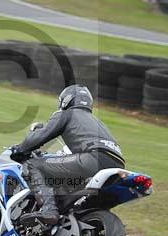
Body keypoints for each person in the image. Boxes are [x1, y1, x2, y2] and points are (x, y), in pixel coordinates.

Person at [10, 85, 125, 225]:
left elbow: (41, 136)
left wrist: (20, 149)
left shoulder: (66, 114)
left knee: (34, 165)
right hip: (117, 164)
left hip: (93, 158)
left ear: (66, 101)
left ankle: (49, 210)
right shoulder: (96, 121)